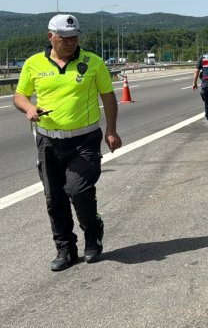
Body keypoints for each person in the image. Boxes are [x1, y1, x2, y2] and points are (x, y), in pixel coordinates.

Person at [13, 14, 122, 271]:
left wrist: (112, 130)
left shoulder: (92, 62)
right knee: (54, 199)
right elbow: (19, 95)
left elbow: (108, 96)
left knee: (78, 191)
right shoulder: (33, 63)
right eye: (65, 38)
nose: (71, 43)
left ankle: (93, 232)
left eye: (75, 38)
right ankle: (65, 249)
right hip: (48, 142)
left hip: (84, 140)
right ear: (50, 36)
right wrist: (29, 108)